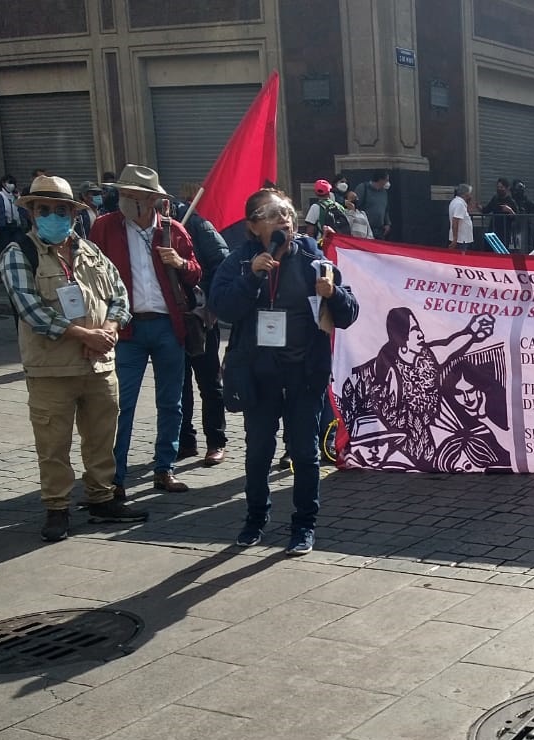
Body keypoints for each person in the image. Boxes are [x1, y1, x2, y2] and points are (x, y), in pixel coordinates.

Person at [210, 188, 360, 554]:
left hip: (303, 375)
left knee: (306, 455)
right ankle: (255, 519)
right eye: (273, 214)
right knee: (259, 452)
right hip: (259, 376)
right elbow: (221, 307)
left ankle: (304, 525)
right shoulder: (242, 261)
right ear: (253, 225)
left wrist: (333, 294)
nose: (284, 220)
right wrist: (253, 278)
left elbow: (350, 311)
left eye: (288, 212)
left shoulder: (312, 257)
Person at [0, 175, 148, 541]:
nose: (54, 216)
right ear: (33, 213)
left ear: (72, 213)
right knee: (54, 445)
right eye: (45, 210)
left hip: (98, 365)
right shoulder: (19, 253)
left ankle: (101, 497)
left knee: (102, 438)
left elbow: (120, 296)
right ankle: (57, 507)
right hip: (52, 370)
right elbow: (31, 310)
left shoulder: (91, 251)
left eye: (61, 210)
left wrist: (110, 330)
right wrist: (85, 335)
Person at [92, 164, 202, 498]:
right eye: (122, 194)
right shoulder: (105, 228)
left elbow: (196, 274)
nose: (126, 200)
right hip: (126, 330)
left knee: (171, 402)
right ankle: (116, 477)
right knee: (120, 404)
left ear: (151, 199)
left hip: (169, 326)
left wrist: (180, 264)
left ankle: (164, 469)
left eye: (133, 196)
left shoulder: (173, 231)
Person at [339, 307, 493, 471]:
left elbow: (448, 347)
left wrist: (472, 332)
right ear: (401, 336)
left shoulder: (426, 357)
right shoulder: (388, 367)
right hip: (396, 438)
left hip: (428, 432)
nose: (420, 334)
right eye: (414, 330)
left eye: (418, 328)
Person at [173, 183, 231, 467]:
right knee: (176, 386)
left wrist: (207, 301)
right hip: (169, 322)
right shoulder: (138, 233)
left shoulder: (196, 225)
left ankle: (216, 441)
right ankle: (184, 441)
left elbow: (223, 263)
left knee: (209, 382)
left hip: (200, 320)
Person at [0, 174, 28, 272]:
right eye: (9, 183)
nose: (11, 185)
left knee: (19, 247)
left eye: (13, 183)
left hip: (16, 227)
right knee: (2, 249)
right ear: (3, 183)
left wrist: (19, 198)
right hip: (3, 227)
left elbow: (23, 211)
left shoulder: (15, 196)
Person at [354, 170, 392, 239]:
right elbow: (354, 205)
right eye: (386, 180)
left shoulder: (384, 192)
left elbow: (385, 209)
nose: (388, 183)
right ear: (380, 180)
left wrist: (387, 223)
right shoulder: (363, 188)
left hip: (379, 230)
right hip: (364, 228)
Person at [448, 183, 475, 249]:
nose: (470, 195)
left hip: (462, 239)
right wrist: (455, 239)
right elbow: (455, 221)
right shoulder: (459, 204)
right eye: (469, 193)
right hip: (461, 239)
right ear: (465, 193)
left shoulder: (457, 202)